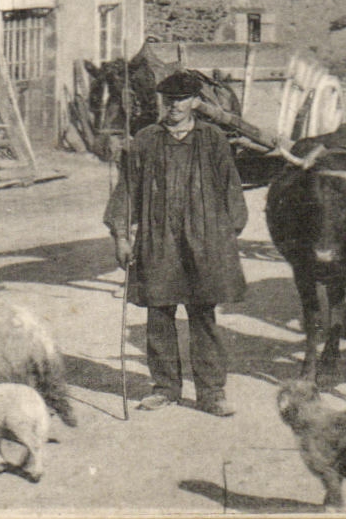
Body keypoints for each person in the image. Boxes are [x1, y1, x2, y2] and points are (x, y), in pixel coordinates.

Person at [104, 71, 247, 417]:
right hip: (159, 240)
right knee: (159, 313)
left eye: (181, 99)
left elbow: (232, 192)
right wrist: (122, 236)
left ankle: (211, 393)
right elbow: (127, 191)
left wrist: (223, 237)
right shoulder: (146, 140)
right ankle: (165, 388)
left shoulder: (212, 140)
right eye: (167, 99)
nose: (174, 106)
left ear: (196, 102)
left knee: (203, 316)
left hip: (204, 239)